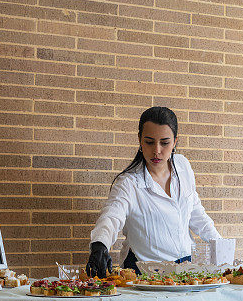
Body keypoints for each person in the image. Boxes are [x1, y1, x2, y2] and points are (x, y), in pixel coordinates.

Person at [86, 106, 221, 277]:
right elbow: (111, 216)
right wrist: (99, 244)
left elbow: (196, 213)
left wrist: (221, 246)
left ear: (175, 141)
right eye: (149, 142)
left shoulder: (183, 166)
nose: (157, 150)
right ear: (140, 140)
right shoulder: (129, 182)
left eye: (164, 143)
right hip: (144, 273)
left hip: (186, 268)